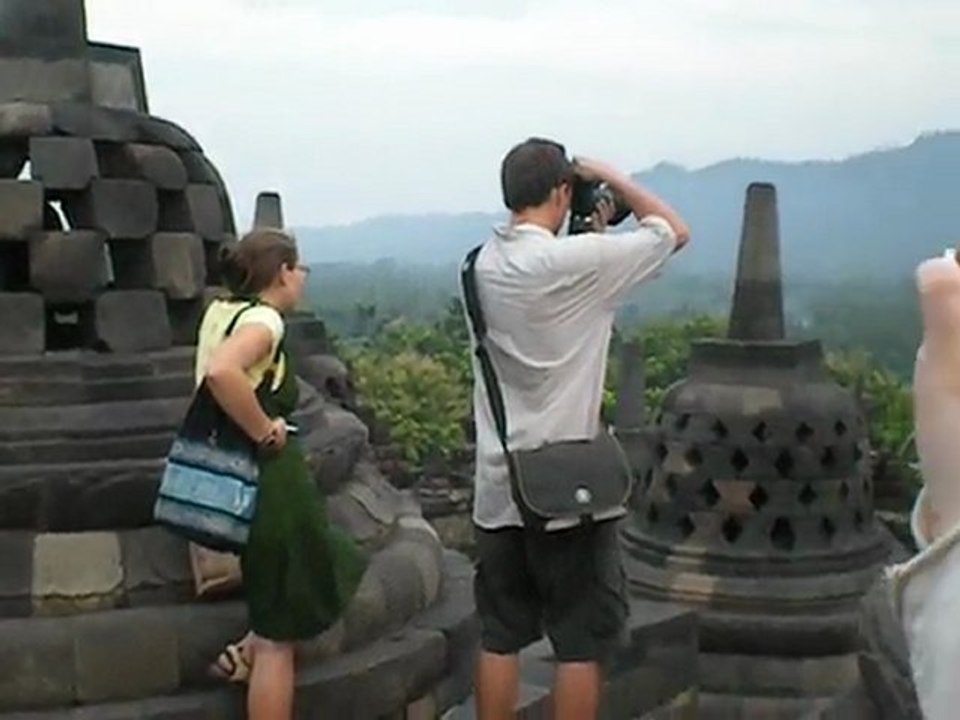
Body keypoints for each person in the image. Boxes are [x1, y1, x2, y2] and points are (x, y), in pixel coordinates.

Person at [467, 138, 690, 720]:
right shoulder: (579, 265)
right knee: (578, 644)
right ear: (562, 191)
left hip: (500, 485)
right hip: (568, 492)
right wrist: (608, 173)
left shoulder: (480, 264)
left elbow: (551, 277)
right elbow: (673, 231)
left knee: (500, 635)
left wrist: (588, 235)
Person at [197, 228, 367, 720]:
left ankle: (247, 648)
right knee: (280, 640)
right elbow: (222, 373)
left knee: (325, 563)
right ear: (283, 272)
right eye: (301, 268)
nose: (305, 277)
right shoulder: (266, 322)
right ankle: (258, 649)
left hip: (234, 477)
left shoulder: (219, 312)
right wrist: (263, 430)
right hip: (270, 479)